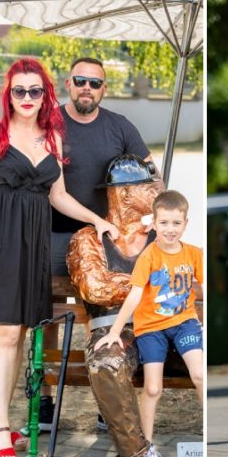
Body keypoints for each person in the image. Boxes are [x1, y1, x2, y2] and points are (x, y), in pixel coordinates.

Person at [0, 57, 118, 457]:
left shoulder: (51, 138)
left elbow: (58, 196)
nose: (27, 98)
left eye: (35, 91)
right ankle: (0, 429)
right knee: (5, 335)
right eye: (20, 90)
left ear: (46, 94)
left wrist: (97, 218)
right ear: (9, 94)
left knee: (19, 334)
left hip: (32, 243)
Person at [47, 57, 156, 432]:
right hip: (59, 228)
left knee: (100, 306)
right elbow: (52, 189)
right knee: (50, 306)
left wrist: (155, 212)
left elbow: (150, 173)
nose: (87, 89)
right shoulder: (53, 125)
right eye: (80, 81)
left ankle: (108, 394)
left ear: (104, 89)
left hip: (106, 234)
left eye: (95, 83)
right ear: (68, 83)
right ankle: (46, 397)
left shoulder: (119, 126)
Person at [67, 155, 168, 457]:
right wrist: (148, 283)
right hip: (114, 330)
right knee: (106, 361)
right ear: (125, 195)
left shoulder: (162, 236)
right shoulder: (88, 239)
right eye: (149, 186)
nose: (158, 190)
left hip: (164, 326)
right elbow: (95, 288)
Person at [93, 190, 204, 457]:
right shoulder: (149, 256)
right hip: (152, 327)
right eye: (164, 223)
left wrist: (200, 293)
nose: (170, 229)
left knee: (201, 375)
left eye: (176, 223)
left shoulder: (194, 254)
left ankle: (211, 440)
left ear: (185, 223)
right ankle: (148, 450)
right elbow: (135, 296)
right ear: (153, 223)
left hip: (184, 324)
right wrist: (115, 332)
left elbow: (203, 291)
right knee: (152, 389)